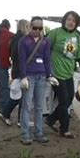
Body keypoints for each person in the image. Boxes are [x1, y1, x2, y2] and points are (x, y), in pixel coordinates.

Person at [18, 16, 59, 145]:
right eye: (34, 27)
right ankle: (25, 134)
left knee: (40, 107)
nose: (37, 30)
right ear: (30, 27)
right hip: (29, 76)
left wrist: (50, 75)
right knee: (27, 106)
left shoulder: (45, 41)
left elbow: (47, 59)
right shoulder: (24, 41)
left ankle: (39, 132)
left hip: (41, 76)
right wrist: (23, 76)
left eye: (40, 28)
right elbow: (21, 60)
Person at [46, 11, 80, 139]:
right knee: (63, 100)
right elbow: (45, 48)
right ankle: (65, 129)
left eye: (73, 21)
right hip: (56, 72)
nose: (70, 22)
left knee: (69, 100)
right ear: (64, 20)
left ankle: (51, 119)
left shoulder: (77, 36)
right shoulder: (55, 32)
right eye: (69, 19)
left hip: (69, 73)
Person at [0, 19, 29, 126]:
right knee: (23, 96)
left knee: (17, 95)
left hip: (15, 69)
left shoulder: (14, 38)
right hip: (22, 71)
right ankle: (20, 119)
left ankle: (6, 113)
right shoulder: (23, 39)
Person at [0, 19, 14, 112]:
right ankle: (4, 106)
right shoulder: (11, 35)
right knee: (4, 86)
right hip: (2, 63)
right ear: (8, 26)